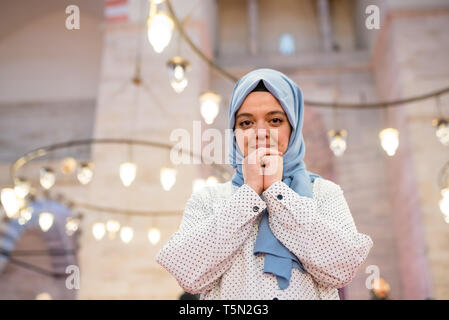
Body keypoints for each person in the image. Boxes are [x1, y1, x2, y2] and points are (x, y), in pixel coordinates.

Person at [156, 68, 373, 300]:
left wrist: (276, 191)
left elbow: (342, 267)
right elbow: (188, 273)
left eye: (275, 120)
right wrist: (249, 193)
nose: (260, 132)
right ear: (234, 132)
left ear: (293, 127)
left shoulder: (323, 193)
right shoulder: (209, 199)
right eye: (246, 123)